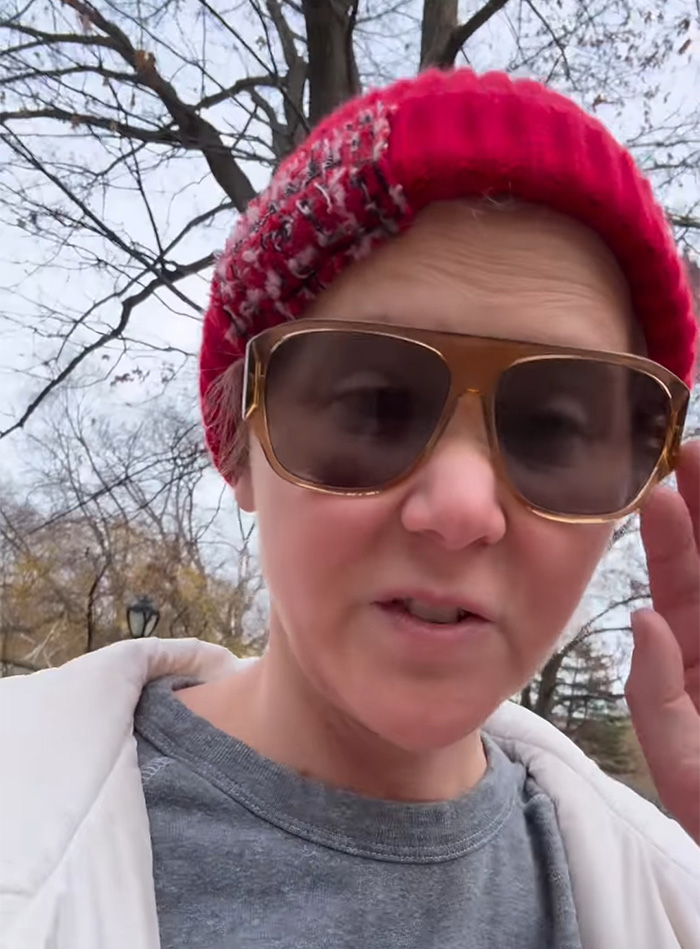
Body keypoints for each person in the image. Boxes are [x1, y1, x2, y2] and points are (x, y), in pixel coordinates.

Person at [1, 68, 698, 949]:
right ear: (240, 445)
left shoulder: (673, 895)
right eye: (375, 403)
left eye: (551, 427)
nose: (461, 507)